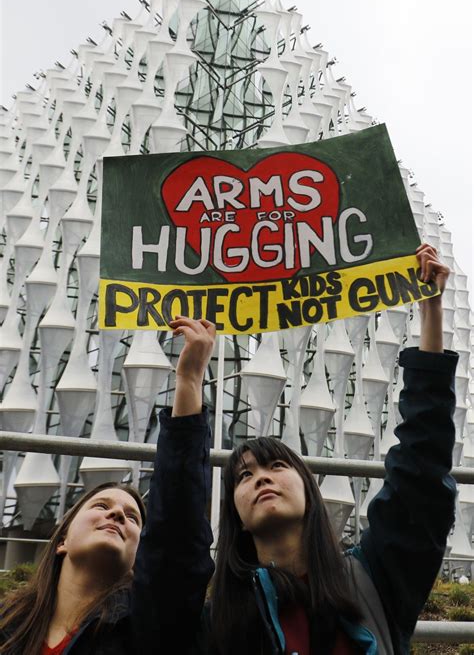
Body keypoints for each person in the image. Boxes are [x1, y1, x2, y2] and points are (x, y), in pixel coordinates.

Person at [165, 244, 456, 655]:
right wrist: (190, 382)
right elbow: (174, 534)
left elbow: (421, 476)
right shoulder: (222, 623)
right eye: (244, 476)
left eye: (277, 465)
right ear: (235, 514)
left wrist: (431, 311)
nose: (261, 476)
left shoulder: (374, 580)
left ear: (310, 489)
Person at [0, 318, 216, 654]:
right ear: (61, 540)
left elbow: (177, 529)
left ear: (138, 558)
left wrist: (189, 380)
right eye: (101, 506)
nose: (117, 514)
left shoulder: (145, 628)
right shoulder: (8, 627)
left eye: (133, 518)